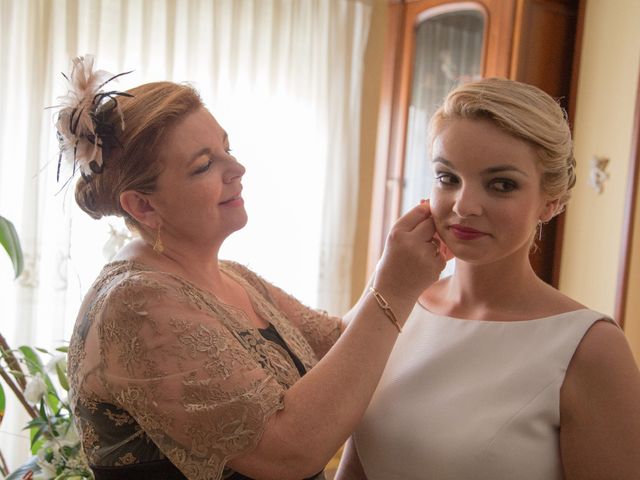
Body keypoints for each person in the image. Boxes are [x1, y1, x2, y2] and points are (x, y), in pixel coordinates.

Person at [57, 55, 446, 480]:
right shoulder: (135, 304)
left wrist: (404, 263)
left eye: (227, 148)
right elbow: (288, 452)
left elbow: (339, 342)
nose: (237, 169)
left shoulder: (232, 275)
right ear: (143, 205)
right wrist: (393, 288)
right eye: (204, 165)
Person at [336, 78, 640, 480]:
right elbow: (354, 466)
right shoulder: (395, 307)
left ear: (550, 202)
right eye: (448, 178)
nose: (464, 205)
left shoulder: (591, 347)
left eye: (501, 185)